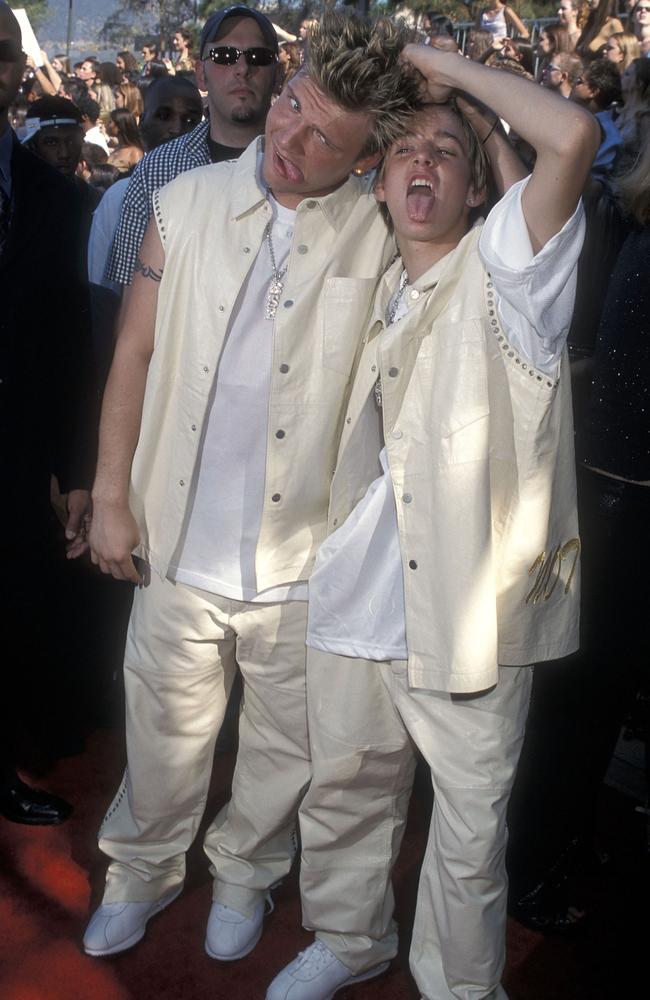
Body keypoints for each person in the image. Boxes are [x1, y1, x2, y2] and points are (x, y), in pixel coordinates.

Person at [82, 11, 425, 960]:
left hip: (304, 556)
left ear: (364, 162)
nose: (290, 139)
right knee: (162, 730)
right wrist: (112, 496)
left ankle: (245, 873)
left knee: (282, 747)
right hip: (179, 534)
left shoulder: (381, 225)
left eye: (324, 136)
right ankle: (141, 869)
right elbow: (134, 356)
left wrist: (422, 75)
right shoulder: (182, 203)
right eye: (291, 107)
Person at [265, 40, 599, 1000]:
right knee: (348, 794)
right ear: (377, 184)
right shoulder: (375, 281)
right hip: (361, 606)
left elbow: (572, 135)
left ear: (478, 187)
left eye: (445, 154)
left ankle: (459, 988)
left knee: (466, 832)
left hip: (469, 621)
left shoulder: (513, 282)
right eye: (406, 151)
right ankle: (351, 937)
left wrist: (442, 72)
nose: (423, 164)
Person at [0, 2, 95, 824]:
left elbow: (69, 344)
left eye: (0, 55)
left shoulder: (56, 201)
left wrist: (75, 467)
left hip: (16, 452)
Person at [105, 5, 278, 287]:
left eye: (258, 56)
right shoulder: (157, 170)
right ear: (200, 73)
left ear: (277, 73)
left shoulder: (305, 166)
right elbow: (124, 292)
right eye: (225, 56)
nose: (243, 69)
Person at [88, 75, 203, 293]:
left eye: (190, 121)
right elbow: (103, 286)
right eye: (164, 116)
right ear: (142, 121)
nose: (176, 129)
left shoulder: (216, 192)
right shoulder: (120, 196)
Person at [570, 58, 623, 183]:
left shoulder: (610, 138)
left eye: (579, 82)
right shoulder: (573, 116)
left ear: (593, 91)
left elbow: (592, 185)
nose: (573, 85)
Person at [107, 107, 143, 173]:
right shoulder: (116, 149)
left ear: (119, 126)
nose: (107, 125)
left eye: (110, 122)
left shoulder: (135, 153)